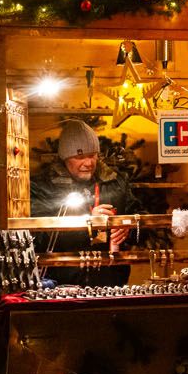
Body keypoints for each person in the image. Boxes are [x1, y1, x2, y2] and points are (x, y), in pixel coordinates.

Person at [30, 118, 140, 286]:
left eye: (92, 155)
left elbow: (140, 217)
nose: (88, 163)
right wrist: (86, 224)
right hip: (62, 283)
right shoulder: (43, 186)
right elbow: (39, 237)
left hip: (111, 282)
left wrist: (128, 229)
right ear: (65, 157)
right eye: (80, 156)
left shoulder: (116, 182)